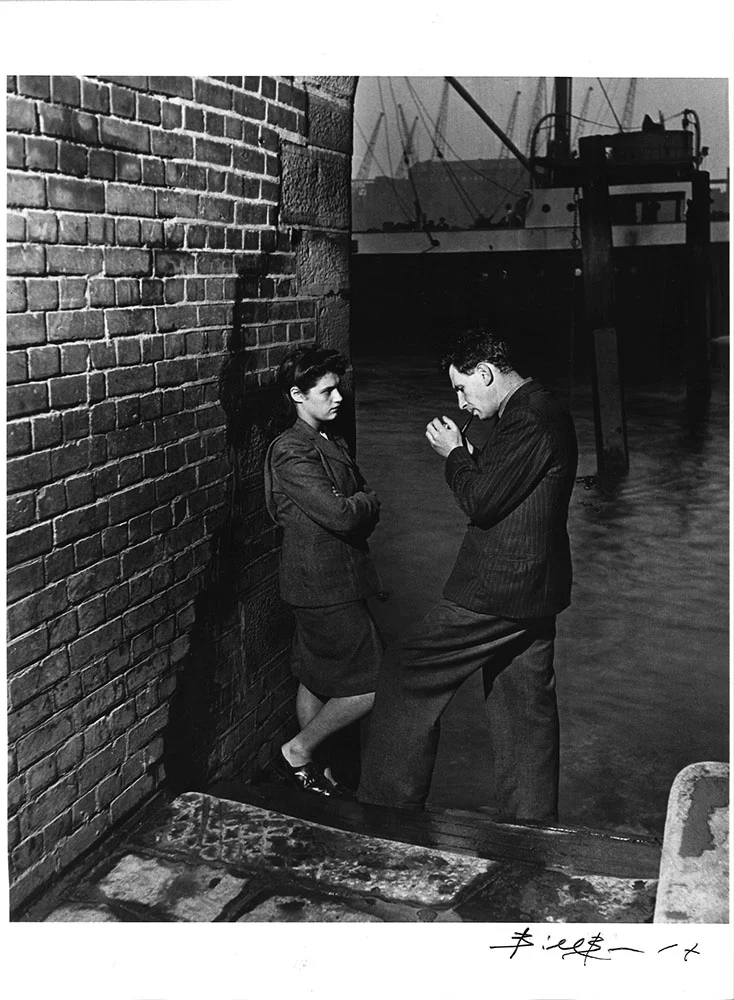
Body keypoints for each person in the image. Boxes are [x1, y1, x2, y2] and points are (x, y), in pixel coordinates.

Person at [357, 327, 578, 823]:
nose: (461, 401)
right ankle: (529, 830)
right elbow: (508, 488)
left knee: (407, 669)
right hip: (532, 590)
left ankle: (386, 811)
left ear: (486, 373)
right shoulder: (534, 410)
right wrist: (475, 458)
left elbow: (481, 502)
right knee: (523, 710)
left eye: (462, 388)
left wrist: (455, 453)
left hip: (498, 590)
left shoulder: (530, 420)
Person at [264, 347, 383, 797]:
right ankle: (296, 752)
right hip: (321, 584)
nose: (339, 398)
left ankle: (317, 770)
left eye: (339, 389)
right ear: (297, 395)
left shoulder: (329, 440)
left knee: (315, 676)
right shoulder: (291, 451)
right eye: (327, 391)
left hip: (335, 578)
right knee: (376, 682)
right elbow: (344, 514)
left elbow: (358, 495)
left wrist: (358, 502)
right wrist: (362, 505)